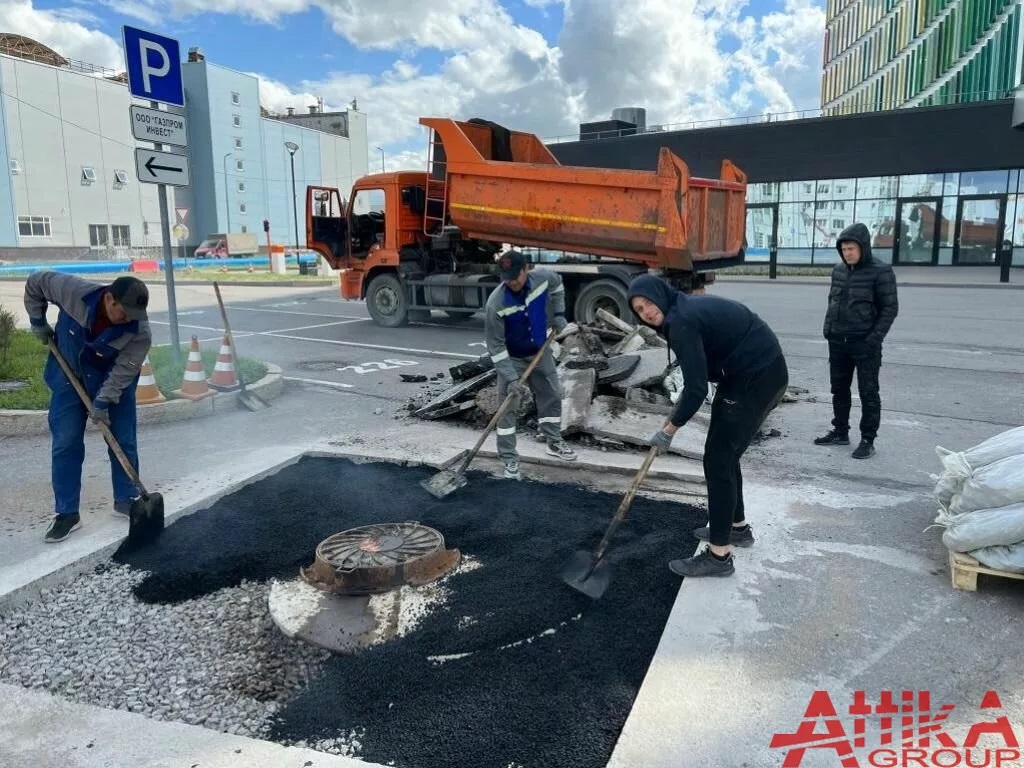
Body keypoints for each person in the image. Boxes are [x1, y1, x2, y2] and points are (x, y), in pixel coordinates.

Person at [627, 275, 788, 578]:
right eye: (639, 309)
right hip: (755, 374)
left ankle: (719, 557)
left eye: (647, 303)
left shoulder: (681, 321)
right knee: (724, 455)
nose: (646, 312)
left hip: (755, 379)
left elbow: (696, 389)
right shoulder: (681, 309)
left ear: (659, 295)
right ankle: (737, 528)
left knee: (718, 461)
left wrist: (669, 430)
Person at [23, 271, 152, 544]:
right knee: (66, 442)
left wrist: (104, 400)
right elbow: (36, 282)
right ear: (109, 299)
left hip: (112, 380)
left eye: (133, 315)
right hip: (69, 373)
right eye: (124, 313)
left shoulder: (139, 330)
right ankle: (67, 513)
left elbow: (126, 368)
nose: (128, 319)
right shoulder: (73, 292)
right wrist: (37, 321)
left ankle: (126, 498)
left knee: (123, 439)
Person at [484, 250, 577, 480]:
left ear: (526, 269)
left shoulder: (543, 278)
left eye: (516, 276)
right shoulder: (495, 303)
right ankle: (509, 459)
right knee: (508, 406)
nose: (512, 282)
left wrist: (559, 313)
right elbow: (495, 346)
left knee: (552, 393)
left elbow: (557, 285)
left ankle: (553, 441)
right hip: (512, 358)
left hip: (540, 349)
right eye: (507, 278)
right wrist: (511, 378)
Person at [815, 222, 898, 460]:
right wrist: (828, 330)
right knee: (839, 390)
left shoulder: (881, 272)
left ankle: (867, 440)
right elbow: (832, 301)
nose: (847, 253)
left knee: (868, 392)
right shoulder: (838, 271)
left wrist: (873, 339)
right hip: (838, 342)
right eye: (843, 249)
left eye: (851, 248)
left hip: (865, 344)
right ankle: (840, 431)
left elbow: (890, 309)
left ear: (863, 247)